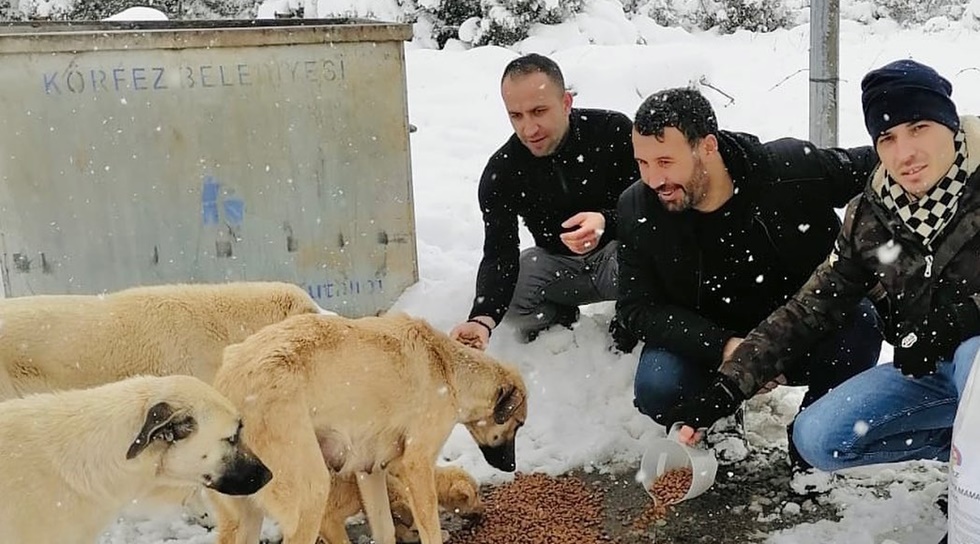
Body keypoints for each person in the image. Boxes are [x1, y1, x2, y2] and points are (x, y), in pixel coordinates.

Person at [662, 60, 980, 544]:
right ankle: (967, 458)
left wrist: (960, 319)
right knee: (819, 438)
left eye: (919, 128)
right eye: (887, 138)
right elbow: (809, 309)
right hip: (931, 368)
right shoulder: (872, 216)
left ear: (950, 125)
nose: (906, 152)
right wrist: (726, 390)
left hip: (972, 360)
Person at [617, 87, 883, 466]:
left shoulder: (789, 170)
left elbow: (880, 162)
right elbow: (636, 308)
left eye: (665, 161)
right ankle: (717, 420)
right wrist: (725, 347)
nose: (654, 179)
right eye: (642, 163)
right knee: (658, 386)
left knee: (860, 324)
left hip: (796, 331)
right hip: (708, 343)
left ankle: (812, 440)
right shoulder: (637, 209)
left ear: (707, 146)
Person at [449, 53, 640, 350]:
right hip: (558, 265)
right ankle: (558, 331)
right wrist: (482, 318)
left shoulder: (612, 131)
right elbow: (500, 252)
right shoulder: (503, 170)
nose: (529, 129)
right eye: (516, 116)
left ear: (566, 103)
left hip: (620, 256)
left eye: (539, 111)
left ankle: (632, 320)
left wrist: (606, 222)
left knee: (655, 256)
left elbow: (653, 211)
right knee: (515, 291)